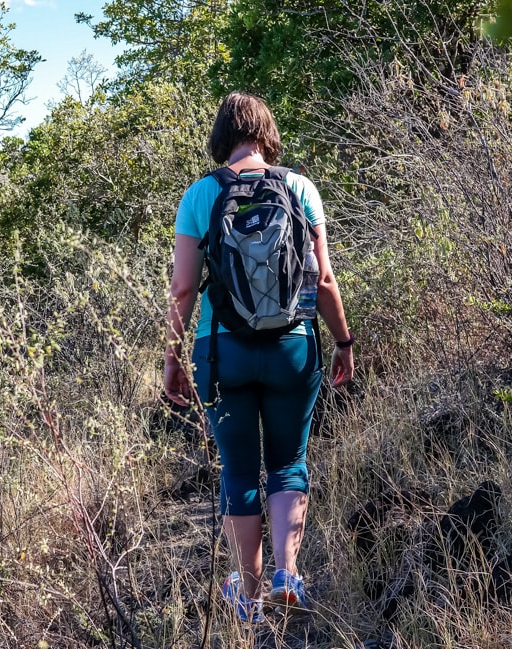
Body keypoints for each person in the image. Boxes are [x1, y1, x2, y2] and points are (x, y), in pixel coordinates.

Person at [163, 91, 354, 623]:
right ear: (267, 134)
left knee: (240, 469)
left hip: (222, 351)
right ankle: (286, 576)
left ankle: (247, 596)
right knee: (289, 462)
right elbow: (324, 279)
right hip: (294, 345)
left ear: (221, 138)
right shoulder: (299, 187)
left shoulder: (201, 194)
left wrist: (173, 357)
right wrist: (343, 342)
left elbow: (182, 288)